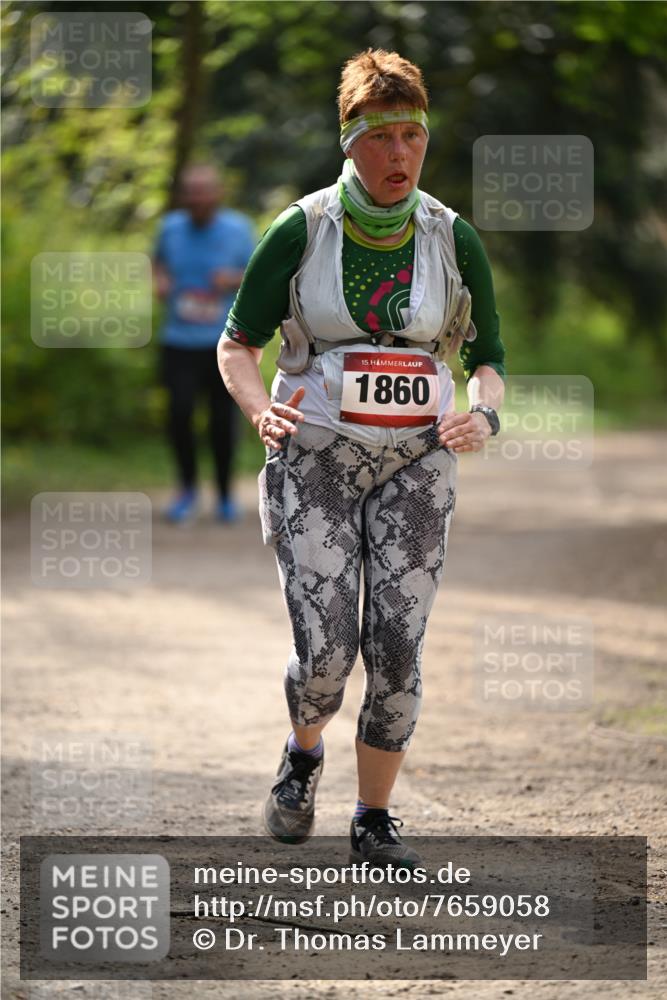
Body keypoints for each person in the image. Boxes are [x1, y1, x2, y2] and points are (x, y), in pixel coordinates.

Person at [218, 49, 506, 867]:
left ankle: (373, 819)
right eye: (382, 138)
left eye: (413, 136)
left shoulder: (452, 238)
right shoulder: (300, 229)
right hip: (314, 455)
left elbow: (489, 356)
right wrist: (257, 406)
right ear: (349, 141)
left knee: (398, 645)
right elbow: (235, 343)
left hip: (417, 459)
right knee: (326, 651)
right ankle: (302, 751)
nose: (399, 155)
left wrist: (483, 411)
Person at [153, 164, 255, 523]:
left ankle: (226, 495)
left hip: (224, 343)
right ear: (183, 196)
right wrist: (161, 280)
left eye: (203, 191)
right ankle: (186, 489)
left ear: (217, 193)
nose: (197, 198)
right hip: (178, 340)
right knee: (179, 414)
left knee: (221, 421)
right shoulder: (169, 227)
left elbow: (259, 276)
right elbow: (158, 263)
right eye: (190, 192)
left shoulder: (239, 229)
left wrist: (232, 278)